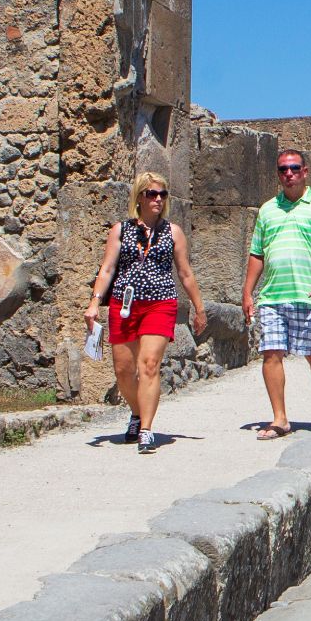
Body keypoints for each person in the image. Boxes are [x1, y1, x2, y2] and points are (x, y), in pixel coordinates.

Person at [84, 171, 207, 453]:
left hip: (160, 302)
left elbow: (185, 273)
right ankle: (137, 413)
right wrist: (94, 302)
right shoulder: (121, 230)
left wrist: (199, 308)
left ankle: (147, 429)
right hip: (124, 303)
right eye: (152, 194)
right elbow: (107, 269)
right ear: (139, 197)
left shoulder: (172, 232)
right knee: (124, 370)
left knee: (149, 365)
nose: (158, 199)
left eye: (163, 194)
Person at [243, 149, 311, 438]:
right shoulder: (267, 210)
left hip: (310, 296)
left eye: (293, 168)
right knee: (270, 354)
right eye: (282, 169)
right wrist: (248, 291)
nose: (288, 174)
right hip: (273, 296)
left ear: (305, 172)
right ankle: (280, 419)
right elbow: (257, 253)